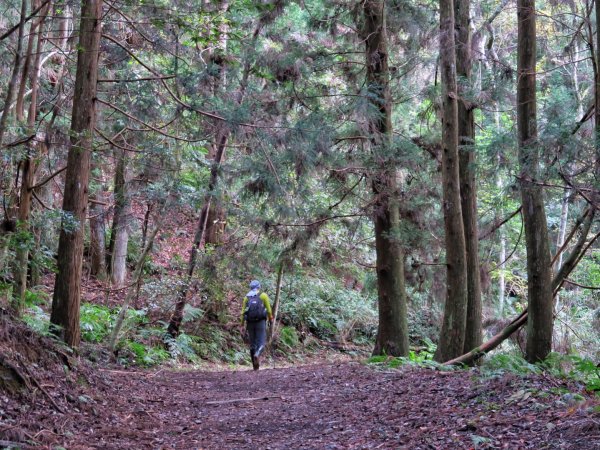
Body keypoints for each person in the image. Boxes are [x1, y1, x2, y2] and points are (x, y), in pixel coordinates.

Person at [240, 280, 273, 370]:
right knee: (261, 342)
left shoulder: (247, 297)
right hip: (260, 322)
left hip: (250, 323)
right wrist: (271, 319)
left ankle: (255, 367)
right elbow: (269, 310)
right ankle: (257, 354)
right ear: (259, 287)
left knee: (252, 344)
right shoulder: (263, 295)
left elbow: (243, 312)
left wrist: (242, 325)